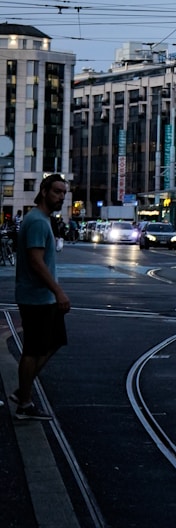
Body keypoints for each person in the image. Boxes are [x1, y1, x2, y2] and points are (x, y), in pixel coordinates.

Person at [13, 173, 71, 422]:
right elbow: (36, 261)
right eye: (57, 192)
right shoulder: (37, 221)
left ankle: (22, 390)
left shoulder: (42, 219)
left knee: (55, 340)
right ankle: (24, 403)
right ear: (44, 191)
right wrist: (58, 291)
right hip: (36, 297)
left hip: (44, 298)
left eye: (64, 194)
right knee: (33, 350)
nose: (61, 197)